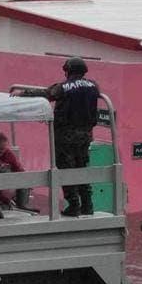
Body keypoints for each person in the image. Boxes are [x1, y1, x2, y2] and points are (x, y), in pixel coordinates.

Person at [21, 58, 100, 217]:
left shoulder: (65, 87)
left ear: (68, 71)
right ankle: (87, 204)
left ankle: (74, 204)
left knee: (65, 169)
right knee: (81, 168)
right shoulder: (94, 86)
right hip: (85, 135)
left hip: (65, 136)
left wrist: (23, 94)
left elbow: (47, 94)